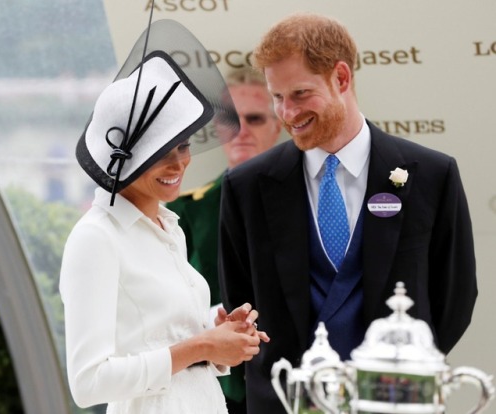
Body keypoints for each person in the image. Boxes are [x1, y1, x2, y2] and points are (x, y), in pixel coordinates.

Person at [218, 12, 477, 413]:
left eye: (300, 94)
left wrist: (402, 377)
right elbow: (240, 303)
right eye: (277, 97)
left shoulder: (432, 176)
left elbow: (455, 296)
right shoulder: (245, 187)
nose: (287, 113)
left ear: (341, 78)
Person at [59, 33, 269, 413]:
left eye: (183, 146)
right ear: (123, 159)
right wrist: (203, 346)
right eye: (159, 154)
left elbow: (154, 337)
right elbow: (88, 382)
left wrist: (214, 328)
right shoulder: (95, 238)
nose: (178, 164)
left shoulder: (167, 227)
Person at [166, 66, 281, 413]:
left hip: (292, 379)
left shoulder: (311, 204)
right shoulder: (183, 213)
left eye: (256, 119)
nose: (242, 131)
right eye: (231, 119)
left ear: (279, 125)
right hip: (216, 387)